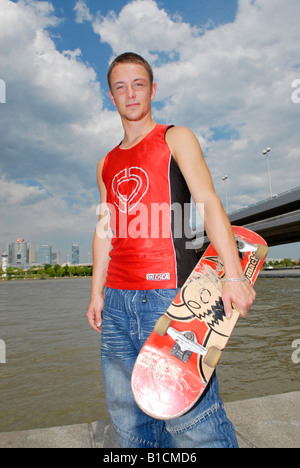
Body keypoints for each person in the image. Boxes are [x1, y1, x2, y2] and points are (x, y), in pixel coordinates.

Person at [87, 52, 256, 448]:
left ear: (152, 90)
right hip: (115, 302)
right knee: (128, 416)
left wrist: (232, 275)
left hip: (168, 297)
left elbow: (209, 202)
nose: (130, 93)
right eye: (120, 86)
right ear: (111, 96)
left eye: (138, 84)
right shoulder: (106, 163)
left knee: (192, 419)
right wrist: (96, 293)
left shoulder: (174, 137)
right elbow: (104, 228)